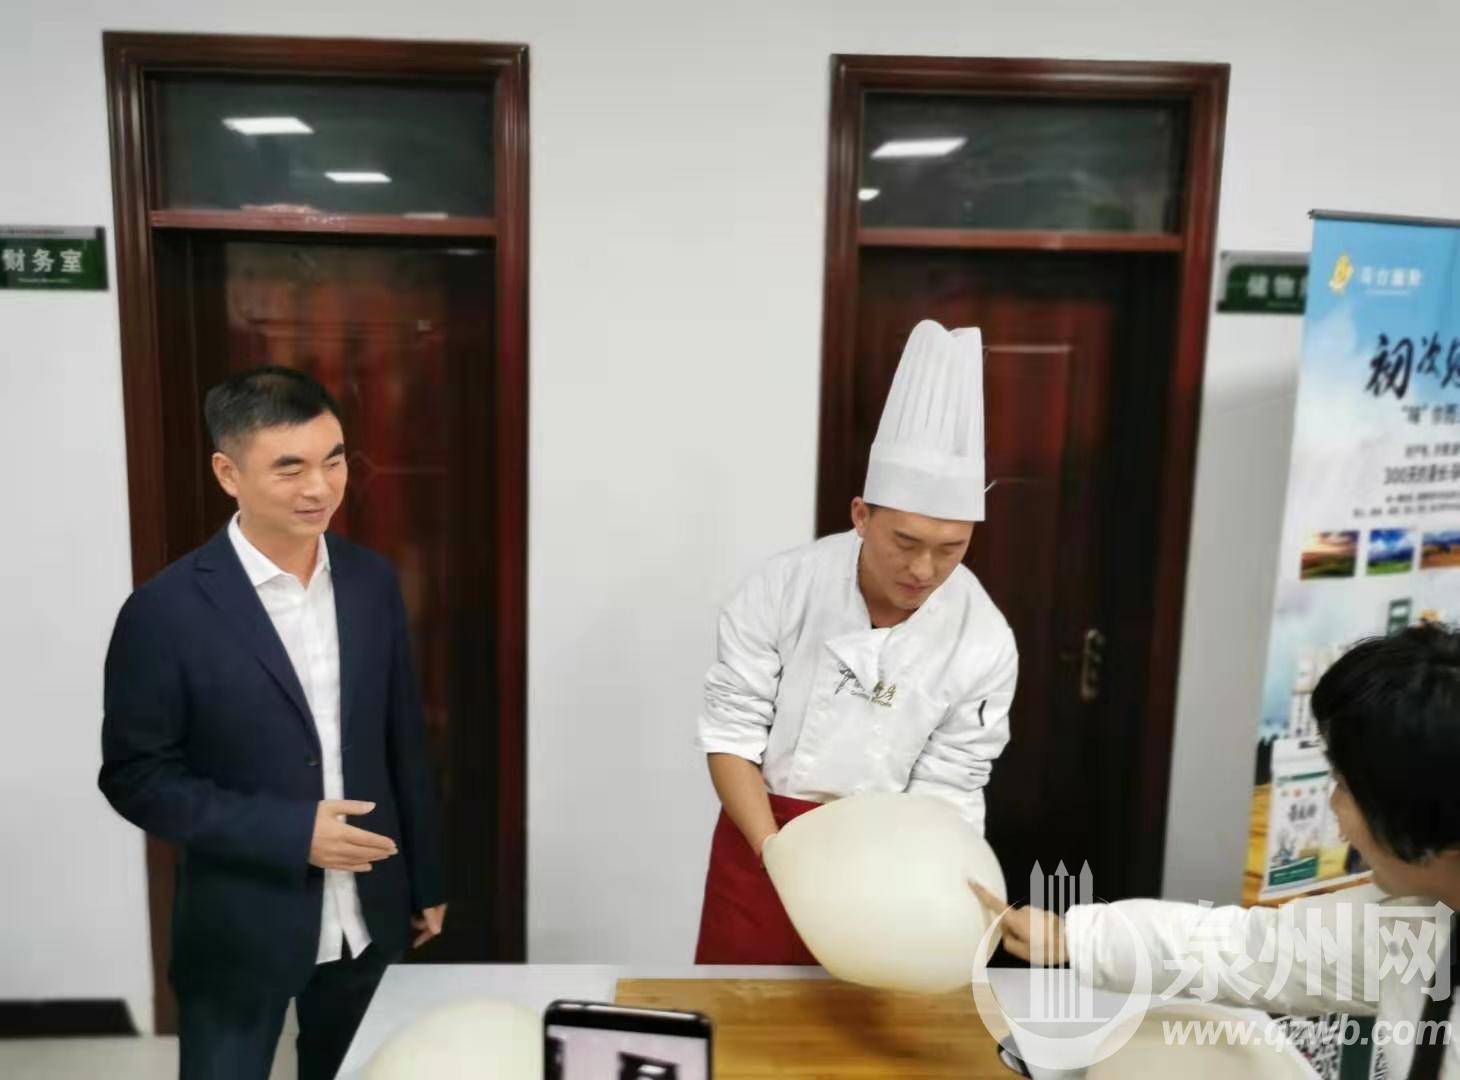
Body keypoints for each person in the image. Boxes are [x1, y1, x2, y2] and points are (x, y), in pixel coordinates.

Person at [99, 367, 446, 1080]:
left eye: (335, 460)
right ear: (228, 473)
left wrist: (425, 877)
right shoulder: (164, 612)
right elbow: (137, 778)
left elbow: (402, 738)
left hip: (368, 910)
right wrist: (292, 833)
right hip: (239, 924)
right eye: (290, 468)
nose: (320, 487)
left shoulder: (371, 581)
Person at [978, 624, 1460, 1079]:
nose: (1333, 807)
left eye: (1344, 786)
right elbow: (1248, 949)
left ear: (1423, 816)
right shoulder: (1413, 921)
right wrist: (1072, 939)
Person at [695, 319, 1019, 963]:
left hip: (891, 861)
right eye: (905, 542)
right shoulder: (783, 588)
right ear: (861, 515)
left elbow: (952, 786)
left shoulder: (982, 639)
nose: (923, 569)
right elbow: (731, 735)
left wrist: (944, 895)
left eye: (951, 548)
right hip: (764, 836)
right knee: (740, 1011)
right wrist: (776, 854)